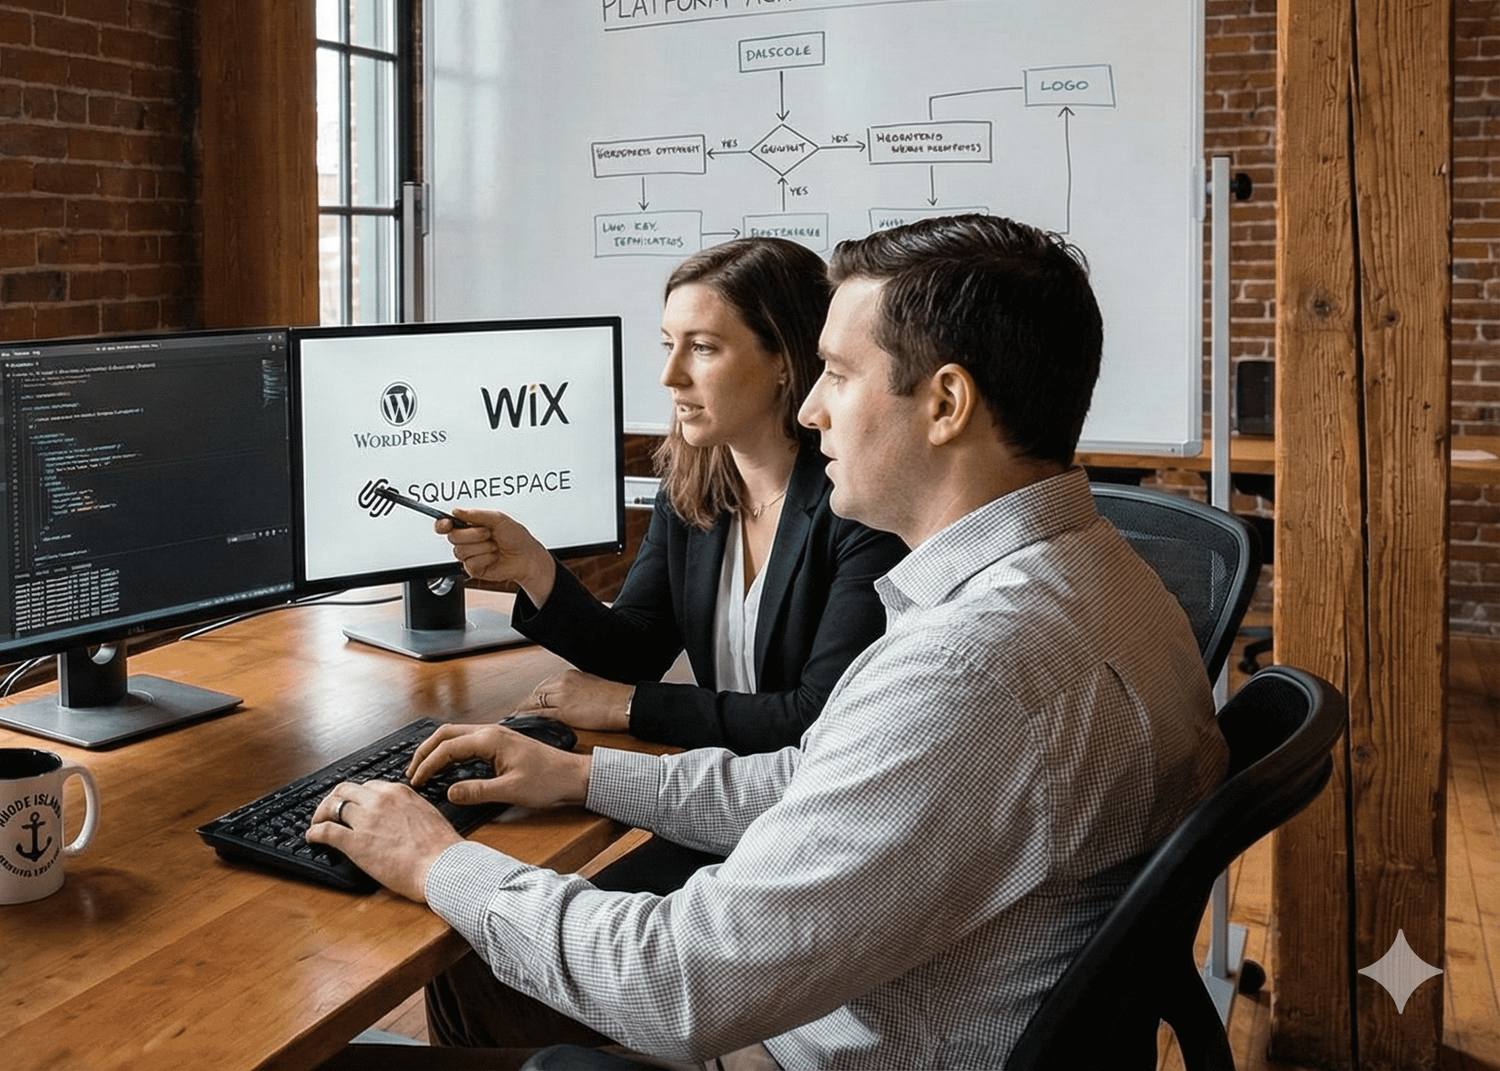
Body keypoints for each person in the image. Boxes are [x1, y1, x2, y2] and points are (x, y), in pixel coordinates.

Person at [308, 214, 1230, 1070]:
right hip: (912, 1002)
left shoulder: (970, 667)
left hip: (818, 1045)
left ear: (946, 402)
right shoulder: (1110, 579)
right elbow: (821, 777)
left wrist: (435, 859)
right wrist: (586, 778)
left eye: (838, 373)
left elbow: (680, 985)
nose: (812, 409)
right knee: (482, 958)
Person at [437, 236, 904, 756]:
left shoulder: (861, 506)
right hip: (713, 780)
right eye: (668, 345)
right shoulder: (690, 490)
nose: (670, 376)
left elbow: (817, 717)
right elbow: (633, 652)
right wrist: (534, 567)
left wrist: (628, 706)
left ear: (784, 360)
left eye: (702, 348)